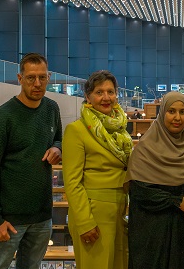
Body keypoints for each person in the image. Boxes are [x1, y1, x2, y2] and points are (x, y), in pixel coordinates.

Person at [0, 53, 63, 269]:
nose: (37, 84)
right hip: (8, 220)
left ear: (49, 77)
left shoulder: (52, 108)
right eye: (31, 78)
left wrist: (57, 147)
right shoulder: (1, 118)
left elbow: (58, 139)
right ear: (20, 78)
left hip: (42, 217)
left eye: (42, 78)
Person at [125, 91, 184, 269]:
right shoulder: (145, 151)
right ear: (162, 113)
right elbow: (140, 193)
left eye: (182, 112)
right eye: (171, 111)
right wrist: (176, 202)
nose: (177, 117)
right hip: (154, 240)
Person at [62, 70, 133, 269]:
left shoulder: (120, 130)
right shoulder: (76, 130)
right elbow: (72, 182)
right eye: (99, 92)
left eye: (110, 92)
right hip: (93, 215)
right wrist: (85, 222)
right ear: (88, 97)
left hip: (119, 211)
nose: (106, 97)